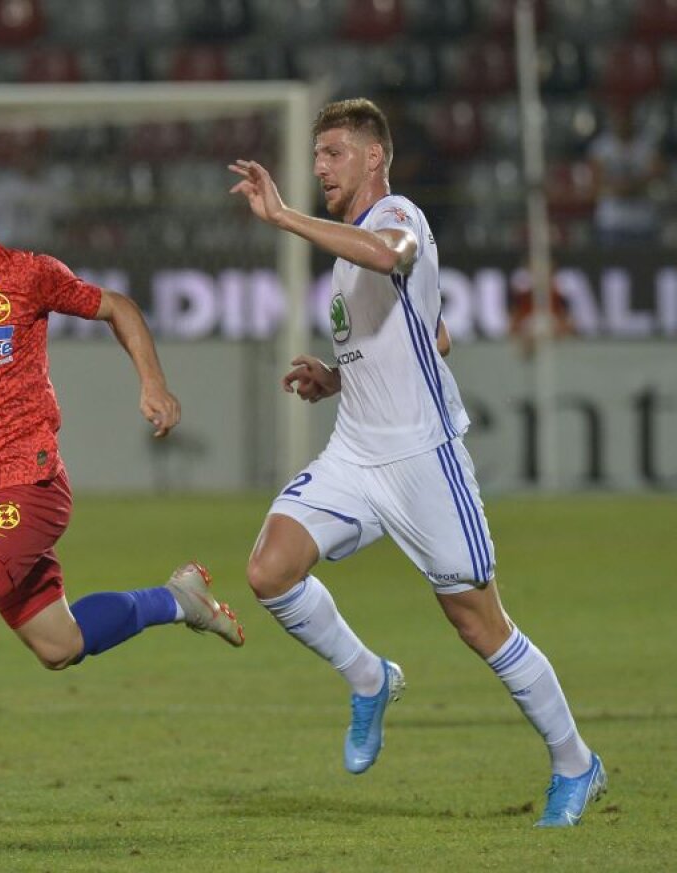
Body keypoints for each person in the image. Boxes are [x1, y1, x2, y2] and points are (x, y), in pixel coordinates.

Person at [228, 99, 604, 828]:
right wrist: (337, 377)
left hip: (423, 458)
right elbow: (436, 336)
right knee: (270, 569)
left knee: (480, 625)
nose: (319, 167)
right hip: (355, 453)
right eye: (316, 155)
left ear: (374, 157)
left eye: (333, 152)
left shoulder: (397, 216)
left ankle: (574, 762)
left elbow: (393, 254)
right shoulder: (349, 253)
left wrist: (283, 218)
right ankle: (370, 677)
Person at [0, 157, 245, 824]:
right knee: (60, 645)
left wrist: (153, 383)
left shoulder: (23, 274)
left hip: (31, 483)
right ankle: (179, 600)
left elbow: (117, 306)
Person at [587, 104, 663, 246]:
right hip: (612, 221)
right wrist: (633, 185)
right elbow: (596, 179)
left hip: (643, 221)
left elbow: (656, 176)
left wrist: (623, 186)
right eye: (619, 119)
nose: (622, 123)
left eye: (626, 119)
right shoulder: (601, 147)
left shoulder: (647, 145)